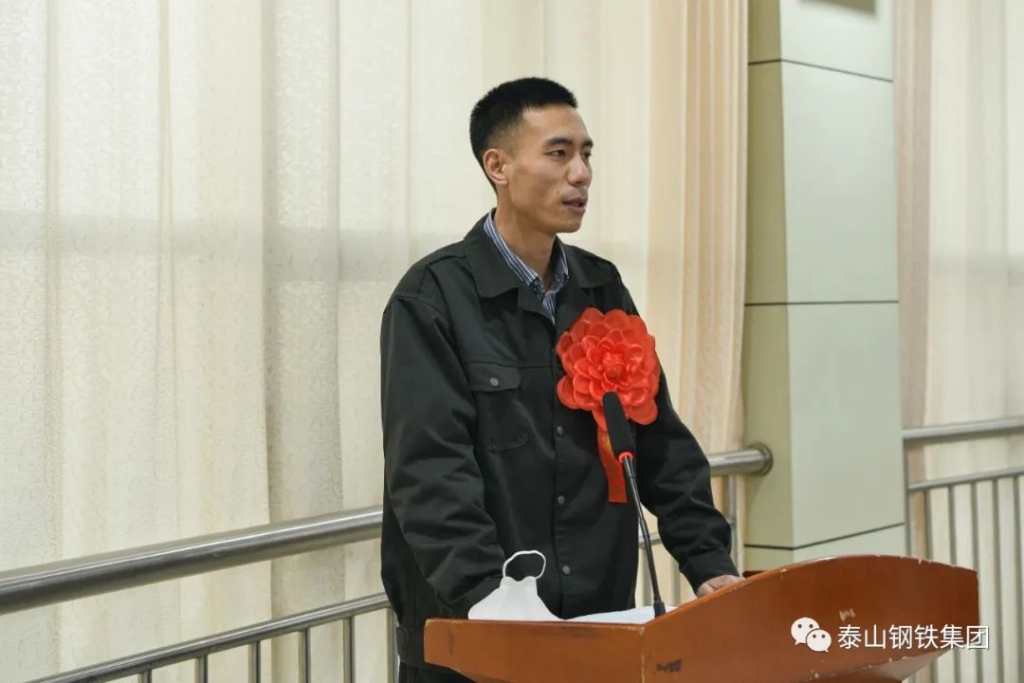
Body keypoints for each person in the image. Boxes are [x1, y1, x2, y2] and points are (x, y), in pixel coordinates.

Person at [379, 77, 741, 683]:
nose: (581, 174)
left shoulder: (601, 288)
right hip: (475, 641)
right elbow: (429, 470)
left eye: (586, 154)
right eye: (558, 153)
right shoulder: (433, 297)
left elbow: (658, 441)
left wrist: (709, 563)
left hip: (598, 629)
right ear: (498, 166)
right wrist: (490, 596)